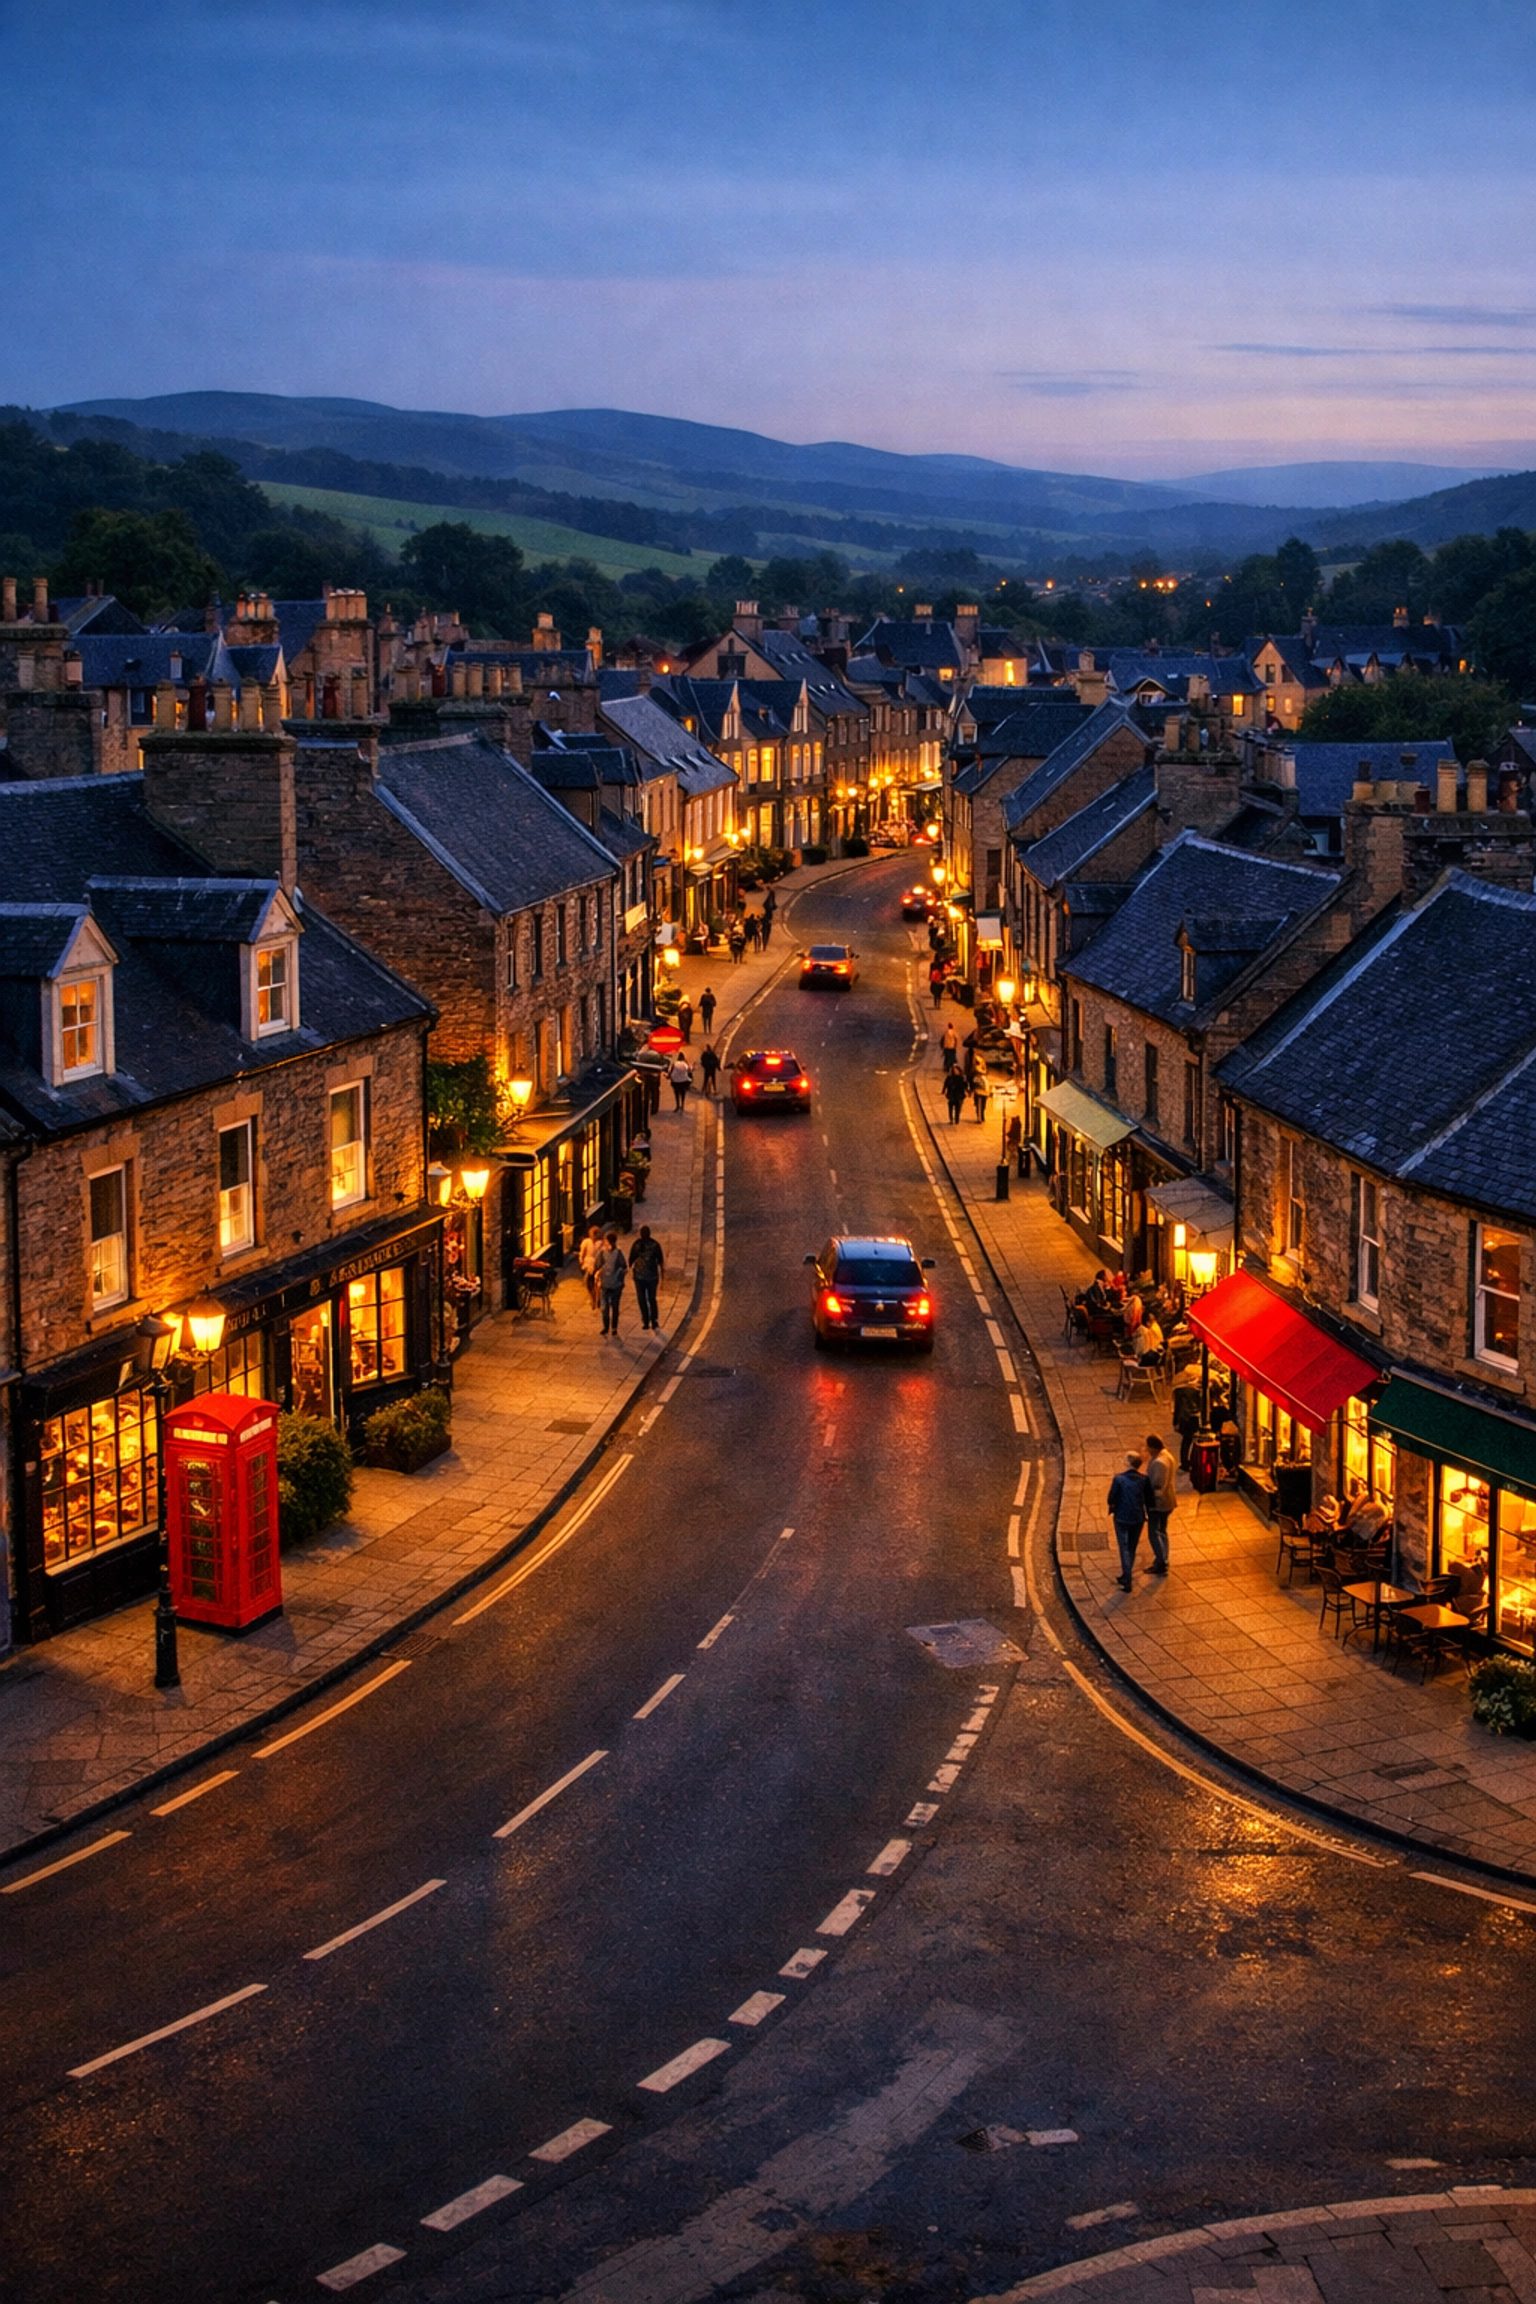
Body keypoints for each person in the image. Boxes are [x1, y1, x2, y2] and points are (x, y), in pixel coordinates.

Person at [1108, 1452, 1149, 1590]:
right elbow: (1149, 1498)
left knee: (1124, 1547)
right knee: (1132, 1547)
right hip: (1138, 1518)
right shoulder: (1144, 1479)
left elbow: (1111, 1498)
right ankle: (1126, 1575)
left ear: (1129, 1463)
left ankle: (1127, 1578)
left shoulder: (1119, 1479)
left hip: (1122, 1517)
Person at [1143, 1434, 1175, 1572]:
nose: (1147, 1450)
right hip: (1167, 1501)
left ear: (1153, 1447)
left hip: (1159, 1503)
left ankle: (1161, 1561)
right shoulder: (1167, 1456)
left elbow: (1156, 1485)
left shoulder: (1159, 1463)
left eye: (1148, 1447)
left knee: (1154, 1532)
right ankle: (1163, 1558)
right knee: (1162, 1530)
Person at [629, 1224, 664, 1333]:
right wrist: (662, 1277)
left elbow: (630, 1260)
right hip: (652, 1277)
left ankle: (645, 1321)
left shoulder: (636, 1244)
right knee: (652, 1298)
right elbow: (660, 1261)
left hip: (639, 1277)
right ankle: (654, 1320)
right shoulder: (655, 1244)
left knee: (642, 1299)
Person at [597, 1230, 628, 1336]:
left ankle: (614, 1327)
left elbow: (624, 1267)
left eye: (605, 1240)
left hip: (616, 1284)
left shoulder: (618, 1253)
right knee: (604, 1307)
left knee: (615, 1306)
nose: (604, 1243)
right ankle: (605, 1327)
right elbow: (598, 1264)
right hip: (605, 1283)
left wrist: (620, 1274)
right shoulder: (602, 1252)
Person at [578, 1220, 604, 1310]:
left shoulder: (600, 1243)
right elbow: (582, 1252)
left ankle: (596, 1297)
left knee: (595, 1283)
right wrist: (581, 1260)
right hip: (589, 1265)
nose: (594, 1237)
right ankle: (594, 1297)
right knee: (590, 1283)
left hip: (596, 1265)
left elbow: (603, 1254)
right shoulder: (586, 1242)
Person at [971, 1055, 991, 1124]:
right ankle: (979, 1117)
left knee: (983, 1105)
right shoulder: (976, 1073)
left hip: (984, 1091)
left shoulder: (984, 1076)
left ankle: (981, 1116)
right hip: (978, 1091)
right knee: (979, 1105)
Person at [1003, 1109, 1024, 1176]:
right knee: (1012, 1145)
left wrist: (1008, 1134)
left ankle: (1013, 1154)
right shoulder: (1017, 1124)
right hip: (1016, 1138)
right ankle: (1013, 1154)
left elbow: (1013, 1132)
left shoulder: (1016, 1125)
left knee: (1010, 1145)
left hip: (1015, 1138)